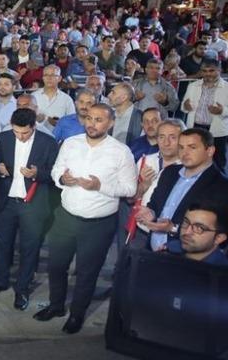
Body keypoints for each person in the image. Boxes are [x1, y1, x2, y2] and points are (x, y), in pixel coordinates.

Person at [39, 104, 137, 334]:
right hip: (65, 217)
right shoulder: (71, 143)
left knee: (86, 272)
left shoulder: (121, 152)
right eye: (89, 118)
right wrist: (62, 179)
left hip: (98, 225)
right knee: (56, 266)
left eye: (99, 120)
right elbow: (55, 171)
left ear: (111, 123)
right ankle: (56, 305)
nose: (92, 124)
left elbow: (130, 189)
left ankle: (77, 314)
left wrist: (100, 186)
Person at [0, 108, 59, 311]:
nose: (20, 136)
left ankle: (22, 289)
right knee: (2, 244)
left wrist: (37, 174)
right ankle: (0, 281)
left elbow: (54, 174)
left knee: (29, 247)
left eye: (25, 133)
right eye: (17, 132)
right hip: (7, 201)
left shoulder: (47, 142)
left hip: (33, 203)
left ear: (33, 127)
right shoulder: (5, 138)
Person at [137, 128, 228, 251]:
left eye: (192, 147)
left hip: (188, 258)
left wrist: (173, 229)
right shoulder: (169, 172)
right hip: (151, 251)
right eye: (181, 147)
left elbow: (223, 235)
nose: (185, 153)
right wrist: (150, 213)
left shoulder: (225, 189)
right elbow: (154, 204)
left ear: (210, 151)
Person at [179, 58, 228, 171]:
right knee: (195, 159)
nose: (208, 74)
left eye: (211, 70)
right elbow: (184, 106)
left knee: (218, 162)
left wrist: (222, 111)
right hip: (195, 129)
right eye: (204, 71)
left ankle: (218, 182)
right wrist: (185, 106)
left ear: (219, 70)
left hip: (217, 132)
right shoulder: (192, 86)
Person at [32, 65, 75, 133]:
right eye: (46, 75)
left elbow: (72, 122)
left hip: (59, 136)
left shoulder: (67, 99)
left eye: (53, 75)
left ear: (59, 78)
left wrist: (57, 123)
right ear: (43, 78)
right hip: (37, 135)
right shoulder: (33, 96)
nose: (49, 78)